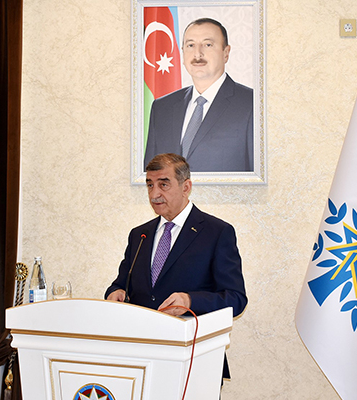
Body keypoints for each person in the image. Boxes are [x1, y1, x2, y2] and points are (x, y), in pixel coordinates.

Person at [105, 153, 248, 382]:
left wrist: (190, 301)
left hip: (194, 359)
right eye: (150, 185)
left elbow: (236, 299)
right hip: (141, 358)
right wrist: (116, 292)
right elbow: (121, 284)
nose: (154, 194)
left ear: (186, 187)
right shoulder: (139, 234)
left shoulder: (217, 232)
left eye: (163, 184)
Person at [143, 18, 254, 172]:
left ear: (226, 53)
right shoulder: (162, 107)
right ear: (182, 53)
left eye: (208, 45)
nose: (197, 54)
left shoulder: (252, 104)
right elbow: (150, 174)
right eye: (190, 45)